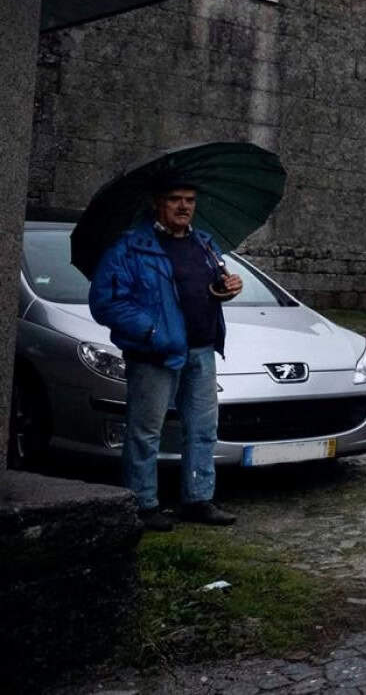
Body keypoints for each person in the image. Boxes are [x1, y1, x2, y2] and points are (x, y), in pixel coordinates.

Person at [89, 178, 243, 531]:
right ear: (157, 203)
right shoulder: (130, 247)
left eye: (190, 199)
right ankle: (142, 503)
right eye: (175, 199)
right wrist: (151, 331)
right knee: (145, 432)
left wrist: (226, 288)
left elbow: (209, 286)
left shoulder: (203, 243)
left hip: (202, 350)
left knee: (203, 429)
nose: (184, 206)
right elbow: (105, 302)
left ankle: (198, 499)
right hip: (155, 354)